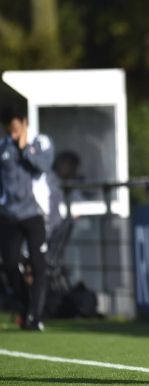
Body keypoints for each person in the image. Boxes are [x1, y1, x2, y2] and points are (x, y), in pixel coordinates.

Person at [0, 104, 54, 331]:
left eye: (16, 128)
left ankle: (36, 316)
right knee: (10, 264)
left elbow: (43, 166)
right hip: (9, 214)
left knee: (38, 264)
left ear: (24, 124)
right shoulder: (3, 146)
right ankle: (26, 305)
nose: (13, 133)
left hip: (34, 213)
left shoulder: (40, 142)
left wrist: (24, 150)